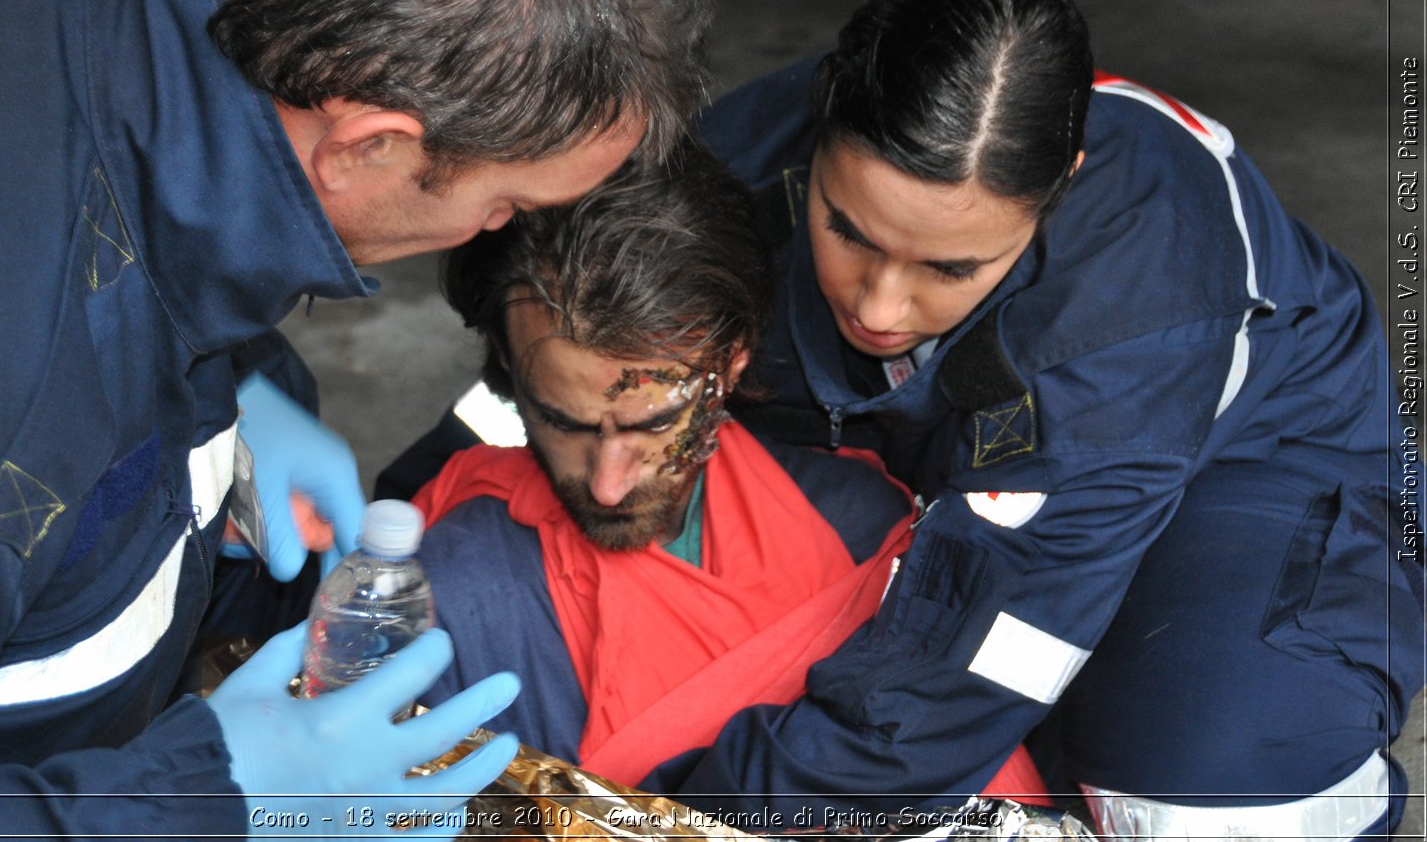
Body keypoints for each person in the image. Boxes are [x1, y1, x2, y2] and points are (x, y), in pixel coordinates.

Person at [0, 0, 712, 836]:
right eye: (504, 204)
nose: (492, 233)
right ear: (368, 145)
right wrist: (201, 797)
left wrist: (236, 391)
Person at [650, 0, 1424, 838]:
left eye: (950, 266)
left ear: (1062, 186)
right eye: (848, 229)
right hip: (951, 469)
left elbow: (980, 654)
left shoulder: (1134, 307)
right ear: (818, 125)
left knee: (1201, 779)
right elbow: (555, 358)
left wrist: (690, 816)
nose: (880, 303)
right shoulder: (737, 161)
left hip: (1256, 469)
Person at [406, 146, 1045, 802]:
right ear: (509, 367)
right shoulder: (458, 586)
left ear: (733, 362)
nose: (607, 482)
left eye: (653, 423)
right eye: (561, 421)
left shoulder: (859, 534)